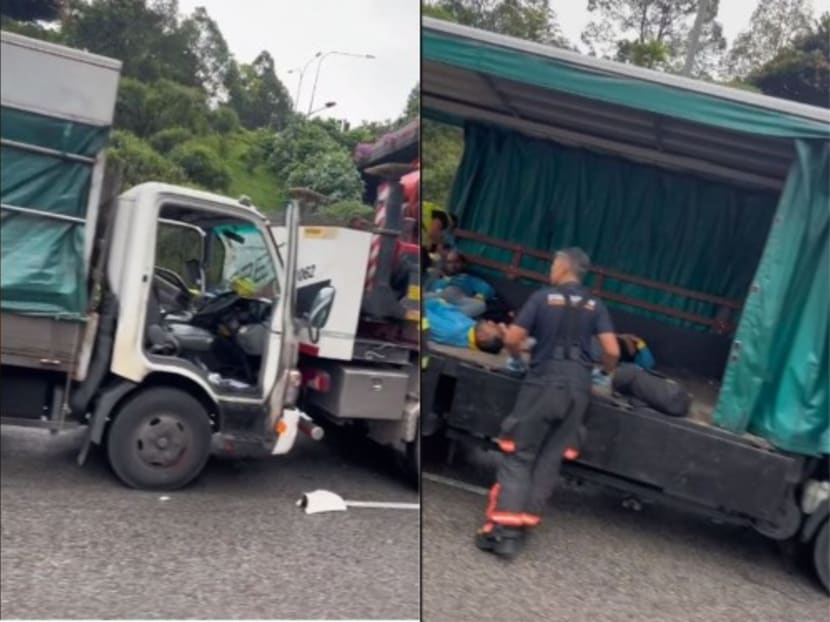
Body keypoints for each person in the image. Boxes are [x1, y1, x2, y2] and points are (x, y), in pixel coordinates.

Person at [476, 247, 620, 558]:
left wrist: (518, 359)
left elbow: (513, 339)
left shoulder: (542, 298)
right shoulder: (596, 305)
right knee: (549, 459)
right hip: (577, 390)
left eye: (554, 263)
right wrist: (603, 373)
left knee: (520, 455)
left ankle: (504, 534)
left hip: (543, 383)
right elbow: (612, 350)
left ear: (565, 266)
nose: (551, 269)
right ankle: (524, 524)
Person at [425, 250, 494, 318]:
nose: (453, 265)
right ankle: (444, 313)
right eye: (449, 262)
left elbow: (488, 289)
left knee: (481, 306)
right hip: (440, 298)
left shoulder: (468, 278)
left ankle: (449, 314)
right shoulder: (438, 279)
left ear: (463, 264)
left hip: (459, 300)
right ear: (445, 264)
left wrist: (479, 296)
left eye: (456, 262)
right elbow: (431, 292)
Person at [424, 297, 504, 353]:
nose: (490, 322)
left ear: (482, 337)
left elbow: (421, 312)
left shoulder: (451, 331)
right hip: (444, 303)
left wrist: (439, 300)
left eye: (492, 326)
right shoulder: (473, 328)